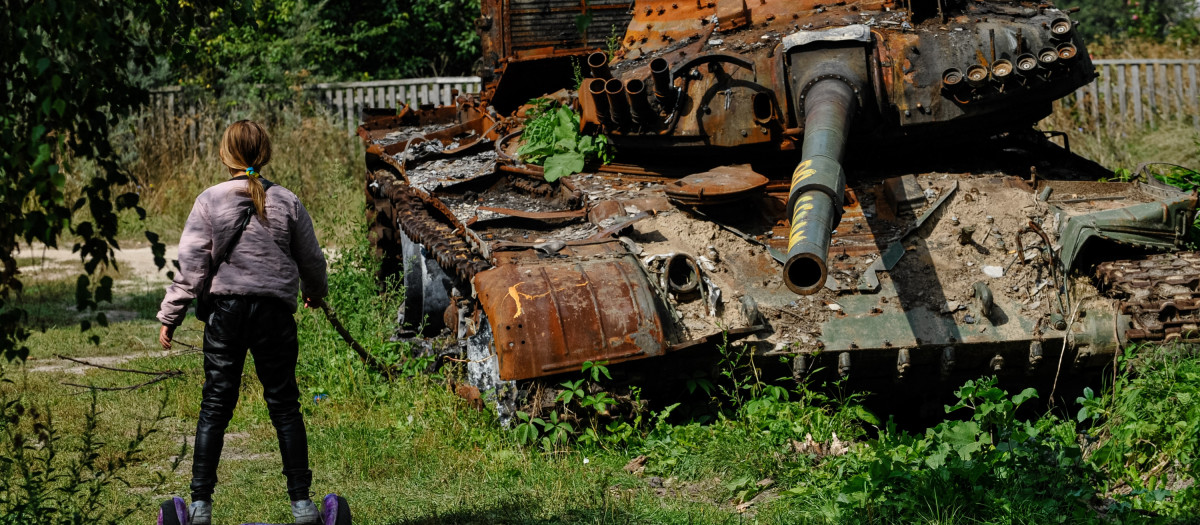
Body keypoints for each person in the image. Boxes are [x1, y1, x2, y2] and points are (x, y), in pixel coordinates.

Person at [157, 120, 328, 525]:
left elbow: (192, 269)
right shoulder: (286, 201)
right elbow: (312, 259)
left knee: (215, 405)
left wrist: (170, 315)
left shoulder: (209, 201)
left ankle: (200, 507)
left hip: (226, 313)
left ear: (225, 154)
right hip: (274, 315)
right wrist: (315, 292)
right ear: (264, 153)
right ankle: (302, 507)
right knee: (285, 404)